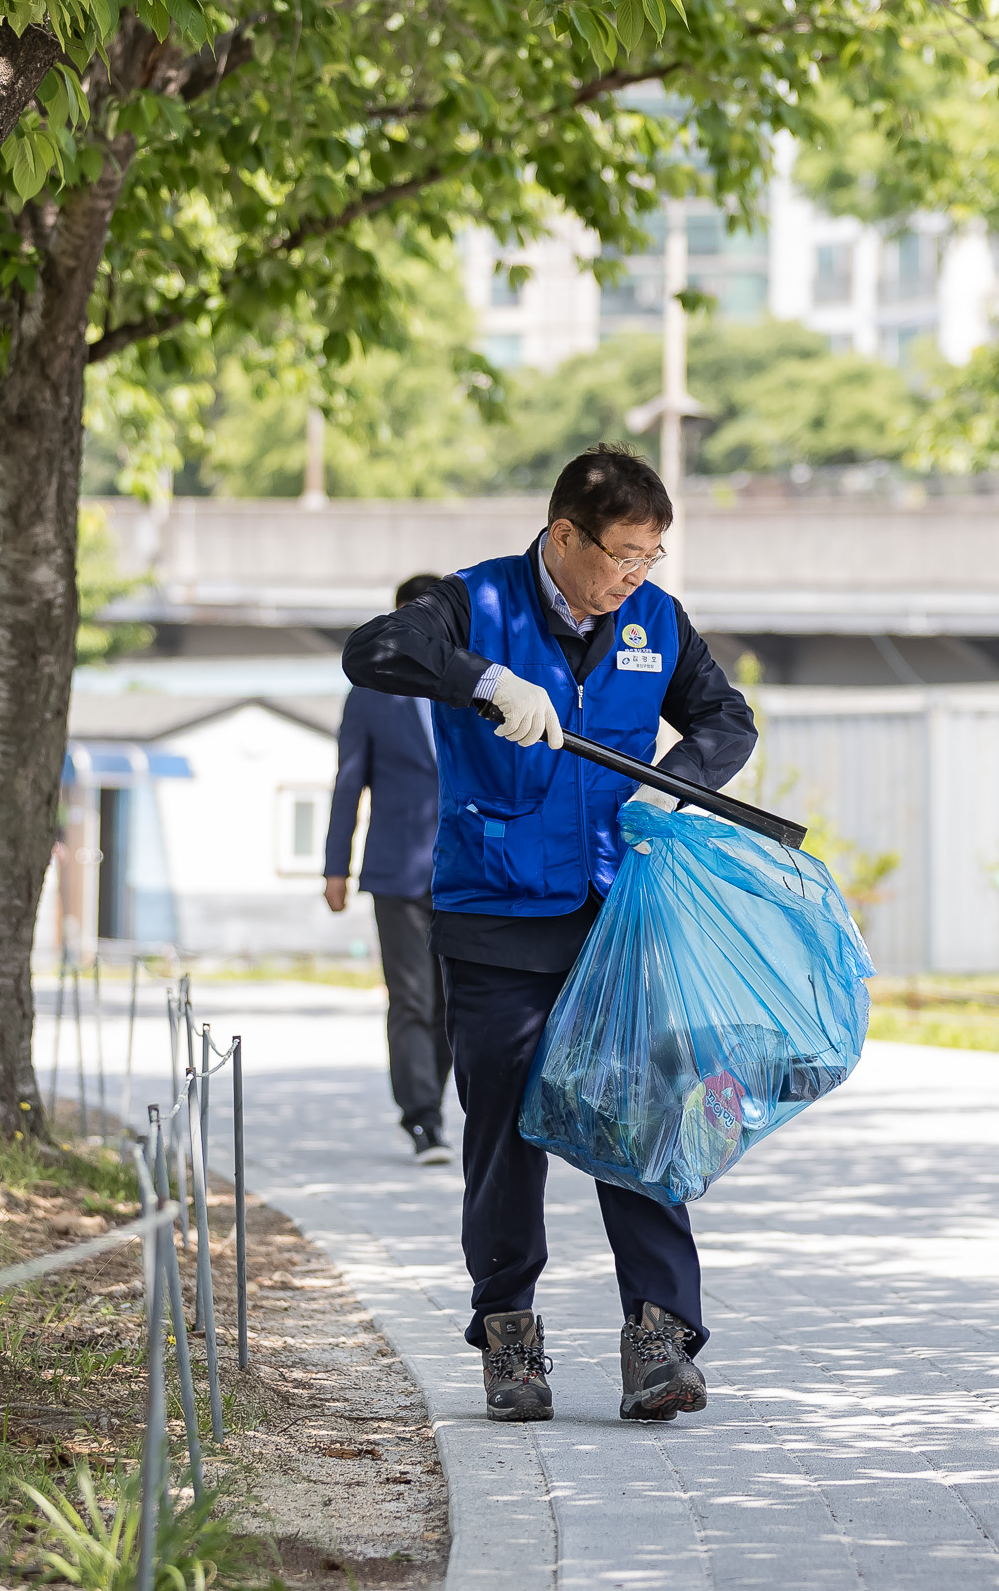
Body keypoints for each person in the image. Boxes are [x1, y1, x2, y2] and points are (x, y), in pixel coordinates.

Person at [342, 444, 756, 1426]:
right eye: (622, 554)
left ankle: (658, 1334)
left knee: (646, 1116)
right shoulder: (474, 602)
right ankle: (508, 1332)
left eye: (651, 556)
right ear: (564, 535)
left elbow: (725, 718)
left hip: (617, 917)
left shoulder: (654, 620)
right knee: (503, 1130)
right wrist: (483, 679)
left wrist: (676, 781)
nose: (634, 576)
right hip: (494, 917)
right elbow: (371, 650)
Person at [327, 573, 457, 1167]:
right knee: (409, 997)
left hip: (466, 870)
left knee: (451, 1002)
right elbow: (347, 783)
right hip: (396, 871)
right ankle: (423, 1119)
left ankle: (436, 1097)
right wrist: (336, 866)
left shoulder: (476, 688)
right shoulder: (370, 694)